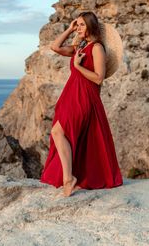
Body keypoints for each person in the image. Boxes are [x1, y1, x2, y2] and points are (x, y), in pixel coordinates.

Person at [40, 11, 124, 197]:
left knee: (58, 132)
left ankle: (68, 179)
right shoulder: (80, 47)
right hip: (71, 95)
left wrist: (78, 67)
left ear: (91, 27)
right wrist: (69, 29)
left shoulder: (96, 48)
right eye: (76, 24)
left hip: (84, 97)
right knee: (62, 133)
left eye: (81, 25)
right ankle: (70, 177)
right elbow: (55, 47)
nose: (78, 27)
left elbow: (99, 78)